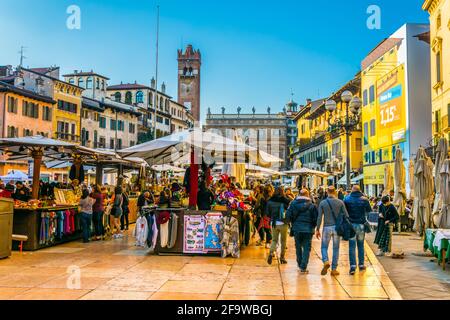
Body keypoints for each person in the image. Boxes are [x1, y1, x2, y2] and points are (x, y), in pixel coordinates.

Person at [316, 186, 349, 276]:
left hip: (326, 227)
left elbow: (319, 217)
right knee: (336, 248)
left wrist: (317, 229)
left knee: (324, 247)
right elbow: (346, 216)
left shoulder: (323, 203)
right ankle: (334, 269)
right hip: (337, 228)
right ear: (335, 192)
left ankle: (326, 261)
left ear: (327, 192)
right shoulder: (340, 202)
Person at [286, 189, 318, 273]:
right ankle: (303, 266)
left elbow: (288, 215)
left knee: (298, 246)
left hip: (297, 228)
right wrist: (313, 226)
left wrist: (291, 224)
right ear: (307, 195)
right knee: (307, 248)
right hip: (308, 229)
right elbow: (315, 218)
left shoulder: (293, 203)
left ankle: (299, 263)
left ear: (299, 194)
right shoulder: (312, 205)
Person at [344, 185, 372, 275]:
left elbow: (344, 212)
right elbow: (369, 211)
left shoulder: (347, 199)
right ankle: (361, 264)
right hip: (361, 225)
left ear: (352, 190)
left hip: (351, 225)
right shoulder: (365, 199)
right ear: (360, 190)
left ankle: (352, 266)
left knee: (351, 246)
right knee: (361, 245)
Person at [266, 186, 291, 265]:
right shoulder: (285, 200)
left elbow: (267, 213)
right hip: (283, 223)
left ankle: (270, 253)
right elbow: (290, 209)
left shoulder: (270, 201)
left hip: (274, 223)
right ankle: (282, 258)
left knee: (274, 240)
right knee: (283, 241)